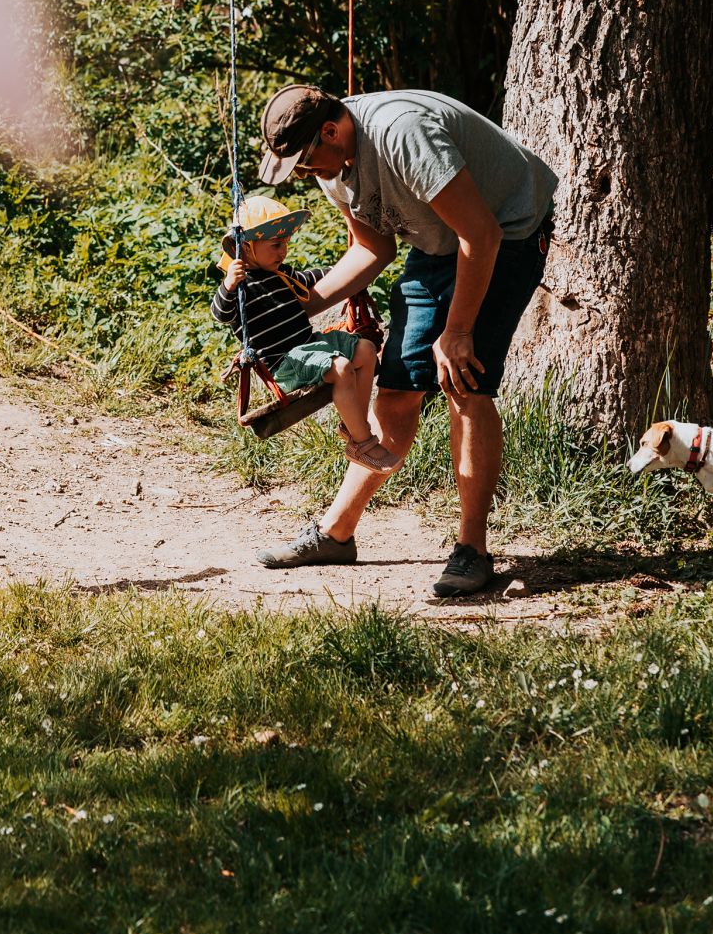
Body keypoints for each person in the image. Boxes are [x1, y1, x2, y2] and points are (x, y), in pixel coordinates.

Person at [254, 83, 557, 597]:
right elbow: (372, 249)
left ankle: (473, 549)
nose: (304, 174)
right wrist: (293, 310)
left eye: (304, 161)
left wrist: (457, 331)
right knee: (396, 391)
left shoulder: (403, 134)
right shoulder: (333, 167)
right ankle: (335, 534)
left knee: (463, 382)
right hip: (439, 243)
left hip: (507, 234)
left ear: (331, 131)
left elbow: (480, 235)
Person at [210, 195, 386, 462]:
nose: (283, 252)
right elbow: (220, 314)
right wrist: (228, 285)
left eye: (285, 244)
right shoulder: (241, 289)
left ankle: (354, 425)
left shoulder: (281, 274)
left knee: (366, 349)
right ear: (246, 247)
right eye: (276, 245)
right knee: (340, 367)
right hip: (285, 363)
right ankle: (363, 443)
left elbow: (309, 277)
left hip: (310, 345)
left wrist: (353, 270)